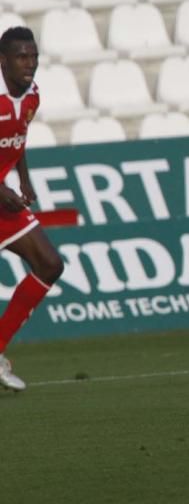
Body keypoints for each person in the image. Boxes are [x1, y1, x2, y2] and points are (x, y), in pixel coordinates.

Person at [0, 27, 65, 391]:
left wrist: (23, 179)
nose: (30, 64)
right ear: (3, 60)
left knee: (49, 264)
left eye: (34, 57)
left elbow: (17, 138)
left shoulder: (32, 96)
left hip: (2, 201)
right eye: (22, 57)